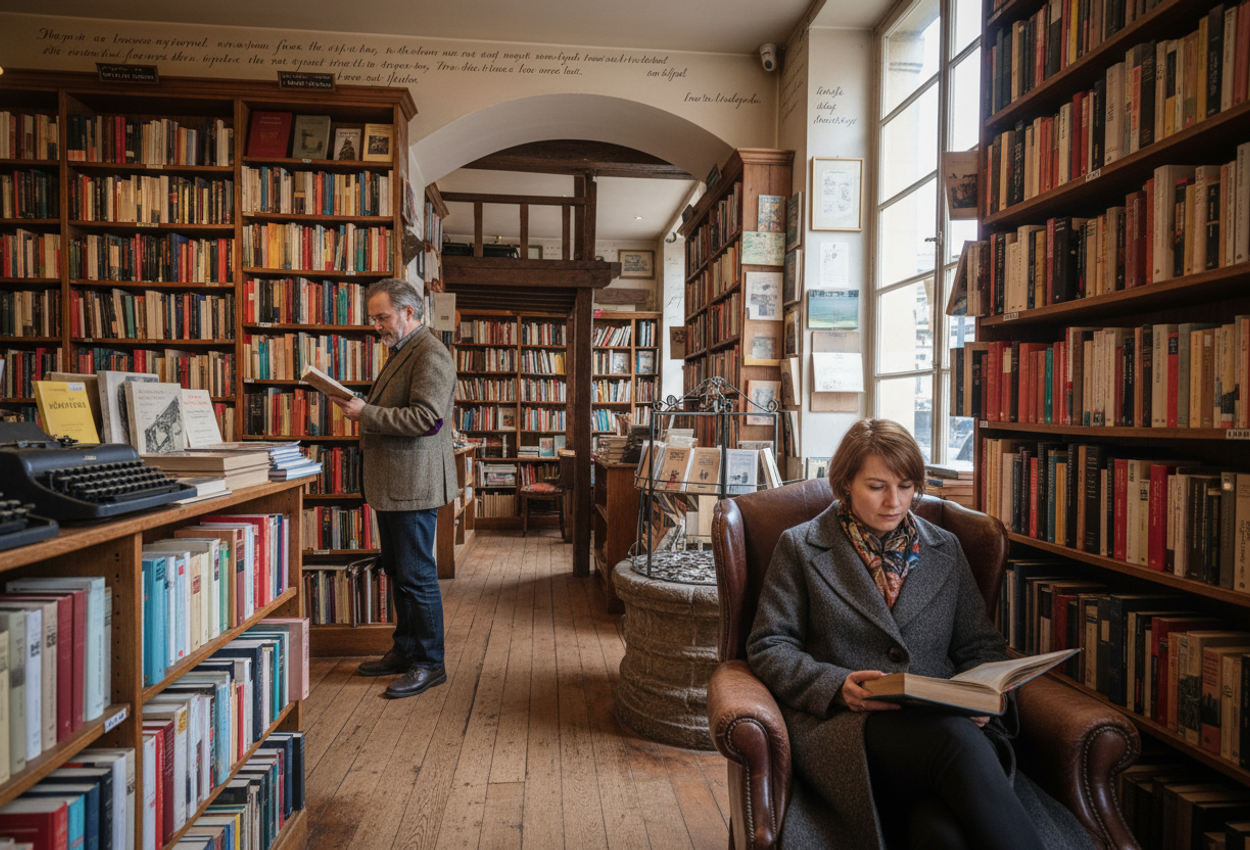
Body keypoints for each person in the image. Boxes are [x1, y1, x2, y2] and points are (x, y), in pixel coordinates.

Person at [746, 418, 1092, 850]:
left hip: (943, 722)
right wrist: (836, 687)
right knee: (956, 743)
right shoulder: (800, 546)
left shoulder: (945, 547)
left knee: (939, 833)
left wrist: (987, 698)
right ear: (845, 483)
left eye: (907, 486)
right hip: (849, 730)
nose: (895, 501)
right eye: (877, 486)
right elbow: (768, 645)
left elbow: (979, 647)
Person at [330, 278, 457, 699]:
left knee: (418, 577)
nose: (377, 326)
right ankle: (405, 650)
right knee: (400, 572)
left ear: (408, 312)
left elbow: (427, 419)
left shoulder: (431, 353)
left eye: (382, 317)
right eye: (374, 319)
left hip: (413, 485)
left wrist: (367, 413)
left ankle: (429, 662)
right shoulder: (403, 351)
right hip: (394, 483)